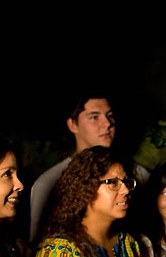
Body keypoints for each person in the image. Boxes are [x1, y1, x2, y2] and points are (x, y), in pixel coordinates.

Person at [29, 93, 149, 242]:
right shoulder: (48, 182)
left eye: (110, 116)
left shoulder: (140, 175)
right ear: (73, 125)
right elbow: (37, 242)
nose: (107, 124)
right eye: (94, 117)